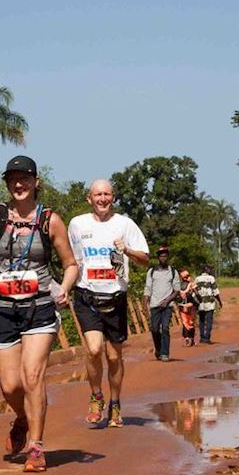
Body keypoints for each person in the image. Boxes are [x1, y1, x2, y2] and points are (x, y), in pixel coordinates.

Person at [0, 156, 78, 473]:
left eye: (24, 178)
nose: (19, 184)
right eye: (13, 179)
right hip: (2, 308)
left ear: (35, 182)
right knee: (9, 386)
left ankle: (36, 447)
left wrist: (64, 288)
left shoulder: (50, 220)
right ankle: (21, 418)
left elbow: (70, 264)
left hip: (39, 306)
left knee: (33, 377)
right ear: (7, 183)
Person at [67, 179, 149, 428]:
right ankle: (96, 395)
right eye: (97, 194)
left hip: (115, 298)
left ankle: (115, 403)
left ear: (113, 197)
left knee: (114, 357)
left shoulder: (125, 224)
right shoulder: (77, 224)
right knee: (93, 349)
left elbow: (145, 259)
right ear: (88, 198)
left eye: (107, 194)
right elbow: (70, 258)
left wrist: (127, 251)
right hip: (86, 295)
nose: (102, 199)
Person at [142, 245, 180, 361]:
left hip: (167, 306)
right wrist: (145, 304)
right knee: (154, 329)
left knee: (165, 328)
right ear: (158, 258)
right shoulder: (152, 271)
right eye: (161, 256)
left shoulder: (173, 272)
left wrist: (167, 301)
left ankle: (165, 353)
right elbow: (148, 288)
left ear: (167, 257)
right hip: (154, 305)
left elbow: (176, 290)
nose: (163, 258)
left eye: (165, 256)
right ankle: (158, 349)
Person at [194, 268, 223, 343]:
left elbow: (194, 291)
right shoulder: (211, 278)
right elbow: (215, 291)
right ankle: (207, 337)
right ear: (207, 270)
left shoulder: (197, 279)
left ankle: (202, 337)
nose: (210, 271)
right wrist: (219, 301)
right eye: (209, 269)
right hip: (209, 303)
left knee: (201, 320)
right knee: (209, 320)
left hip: (200, 303)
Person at [176, 269, 198, 347]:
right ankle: (191, 339)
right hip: (191, 306)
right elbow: (198, 295)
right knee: (191, 322)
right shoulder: (192, 285)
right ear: (186, 277)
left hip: (182, 307)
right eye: (188, 276)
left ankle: (187, 339)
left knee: (185, 323)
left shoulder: (179, 286)